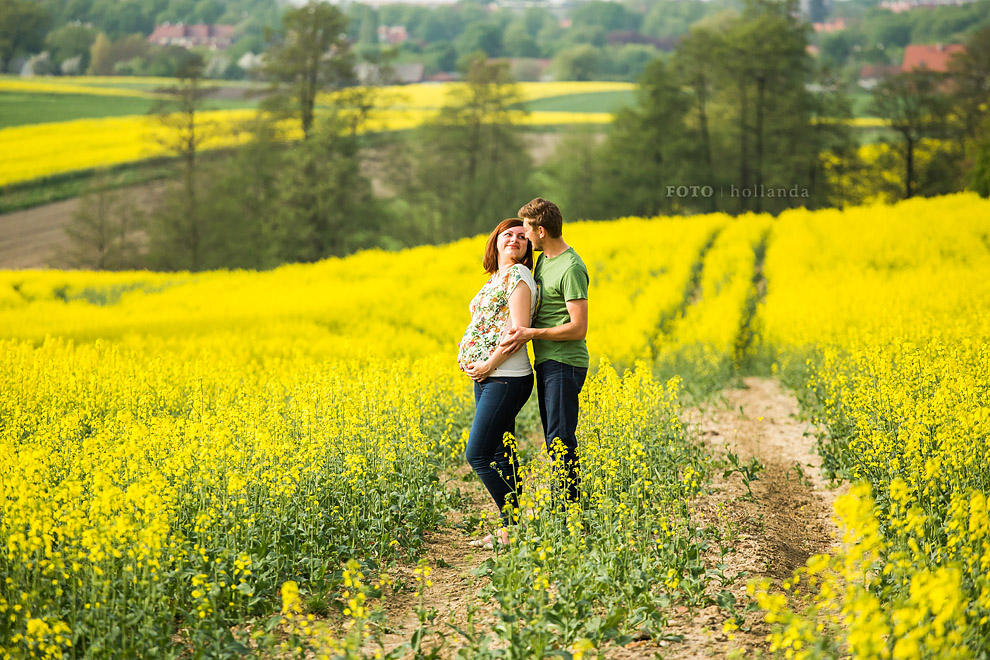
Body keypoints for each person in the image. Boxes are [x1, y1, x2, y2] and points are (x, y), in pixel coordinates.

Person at [500, 198, 588, 505]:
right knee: (555, 440)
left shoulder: (571, 267)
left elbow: (579, 328)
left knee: (561, 439)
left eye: (525, 229)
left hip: (565, 362)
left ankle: (570, 512)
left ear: (540, 231)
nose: (523, 236)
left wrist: (529, 333)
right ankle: (567, 507)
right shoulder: (545, 262)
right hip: (548, 361)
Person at [457, 218, 538, 549]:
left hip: (506, 377)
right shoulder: (497, 278)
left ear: (528, 246)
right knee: (504, 453)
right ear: (496, 241)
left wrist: (488, 364)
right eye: (508, 234)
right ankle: (510, 531)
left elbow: (518, 331)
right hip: (490, 377)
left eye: (523, 236)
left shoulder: (518, 276)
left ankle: (515, 526)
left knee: (477, 454)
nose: (515, 240)